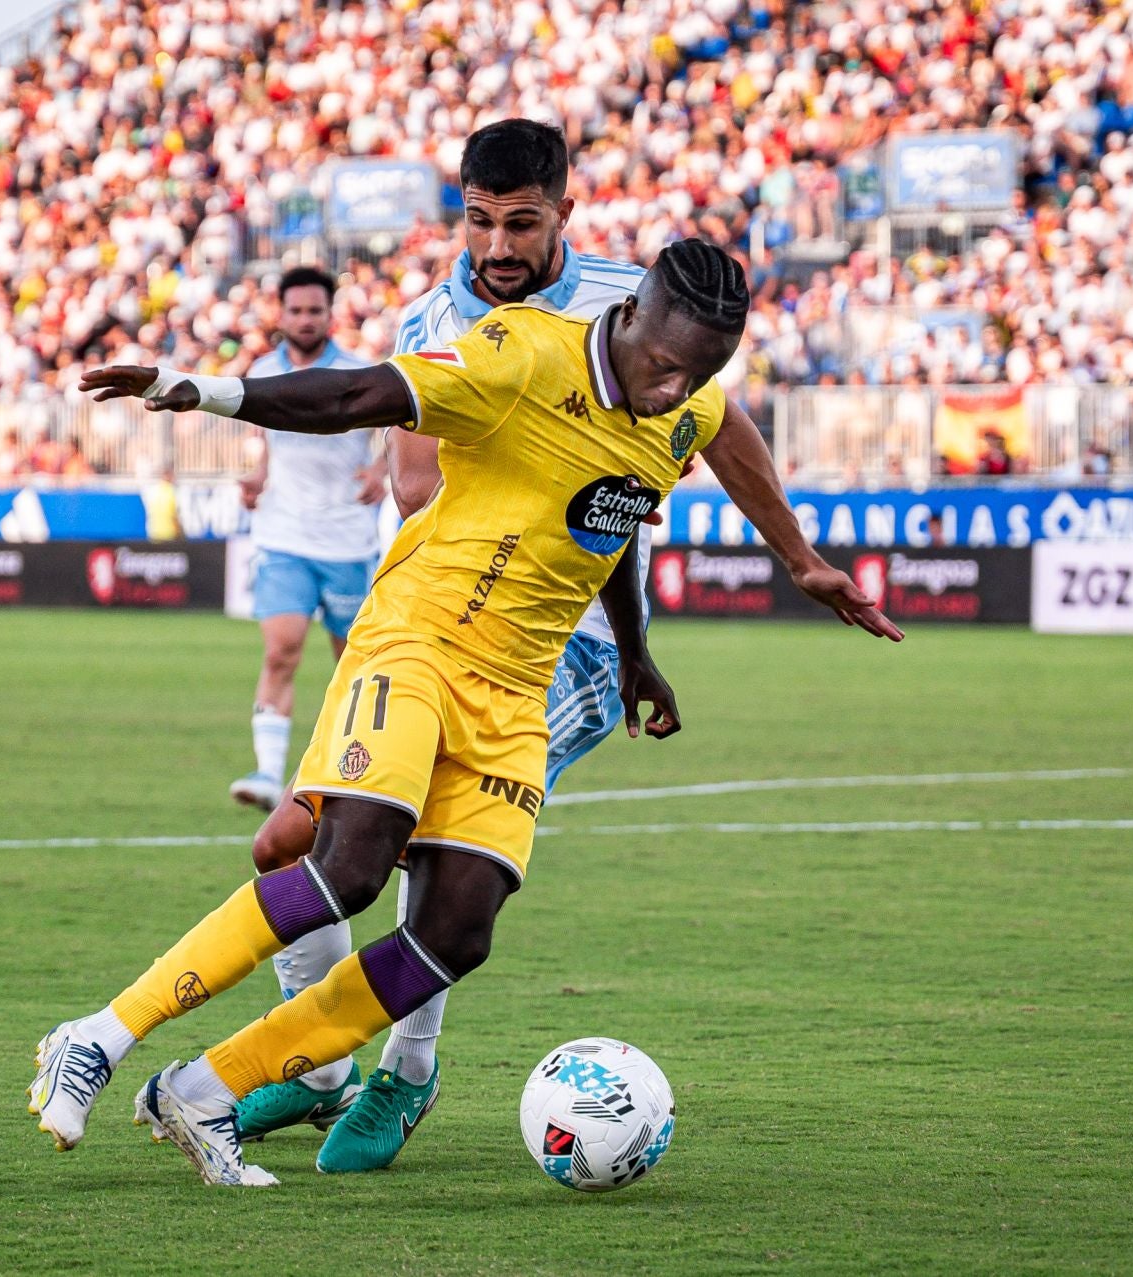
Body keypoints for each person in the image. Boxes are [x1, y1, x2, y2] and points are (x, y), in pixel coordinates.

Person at [37, 240, 900, 1188]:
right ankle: (96, 1036)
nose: (677, 389)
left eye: (700, 374)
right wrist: (199, 389)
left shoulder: (682, 404)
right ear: (635, 315)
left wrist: (658, 643)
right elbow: (354, 396)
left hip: (516, 690)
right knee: (349, 865)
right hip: (416, 640)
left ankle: (204, 1091)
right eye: (666, 364)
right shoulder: (519, 352)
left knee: (456, 931)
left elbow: (623, 506)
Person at [226, 120, 895, 1174]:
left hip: (560, 645)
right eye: (481, 222)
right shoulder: (432, 320)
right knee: (291, 848)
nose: (499, 246)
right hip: (434, 627)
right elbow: (413, 485)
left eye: (523, 223)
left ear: (563, 214)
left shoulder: (634, 306)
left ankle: (405, 1067)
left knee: (425, 852)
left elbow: (714, 427)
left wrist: (798, 557)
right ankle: (315, 1070)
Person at [229, 265, 386, 813]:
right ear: (281, 313)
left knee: (352, 666)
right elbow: (267, 441)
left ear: (329, 314)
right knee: (281, 651)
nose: (304, 319)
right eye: (295, 310)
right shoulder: (263, 372)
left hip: (346, 541)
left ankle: (352, 768)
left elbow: (397, 427)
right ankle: (269, 776)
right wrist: (259, 476)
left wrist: (384, 468)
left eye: (314, 310)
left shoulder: (358, 371)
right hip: (283, 535)